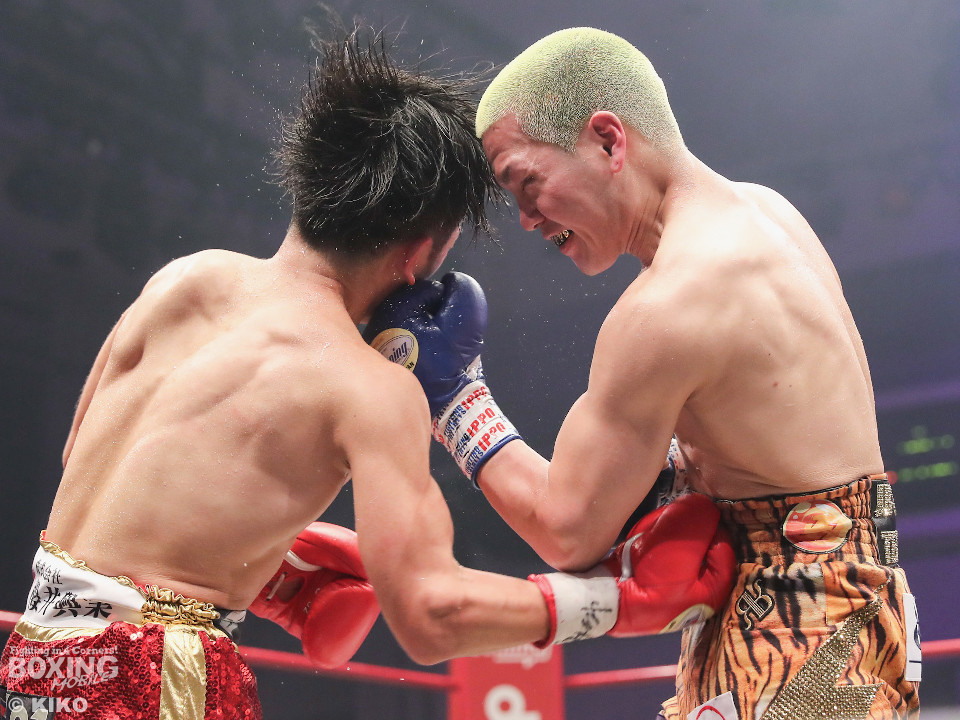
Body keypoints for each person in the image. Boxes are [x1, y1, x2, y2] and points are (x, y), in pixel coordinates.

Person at [0, 27, 737, 720]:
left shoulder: (184, 280)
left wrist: (270, 567)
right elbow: (429, 613)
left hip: (34, 659)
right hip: (157, 680)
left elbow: (85, 461)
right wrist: (619, 601)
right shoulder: (367, 388)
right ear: (422, 253)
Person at [364, 27, 921, 720]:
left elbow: (566, 528)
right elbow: (773, 452)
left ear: (608, 141)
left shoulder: (668, 307)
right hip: (854, 614)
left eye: (528, 183)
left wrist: (453, 399)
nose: (528, 219)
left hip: (790, 645)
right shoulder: (766, 212)